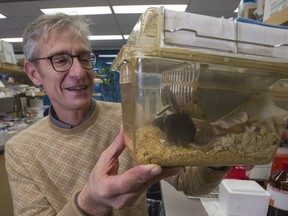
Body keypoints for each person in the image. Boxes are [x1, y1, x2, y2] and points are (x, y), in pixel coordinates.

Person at [4, 13, 230, 216]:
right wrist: (90, 203)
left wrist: (221, 152)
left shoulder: (130, 117)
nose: (79, 72)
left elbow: (189, 182)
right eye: (60, 60)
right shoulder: (21, 150)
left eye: (84, 58)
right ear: (34, 73)